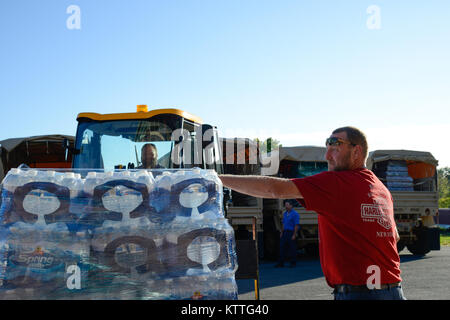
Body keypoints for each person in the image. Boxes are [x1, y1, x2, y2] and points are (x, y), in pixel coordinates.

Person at [219, 126, 406, 300]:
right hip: (393, 290)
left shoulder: (338, 182)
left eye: (335, 146)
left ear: (356, 151)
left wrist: (217, 178)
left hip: (360, 293)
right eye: (327, 147)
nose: (327, 155)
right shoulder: (380, 188)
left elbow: (275, 189)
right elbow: (394, 237)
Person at [275, 200, 300, 268]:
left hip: (291, 232)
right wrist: (281, 232)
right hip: (285, 232)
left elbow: (296, 225)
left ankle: (293, 263)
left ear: (291, 206)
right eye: (285, 205)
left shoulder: (295, 214)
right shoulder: (285, 214)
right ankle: (281, 263)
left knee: (292, 248)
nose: (286, 206)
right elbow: (283, 224)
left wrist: (294, 234)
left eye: (287, 205)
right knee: (282, 248)